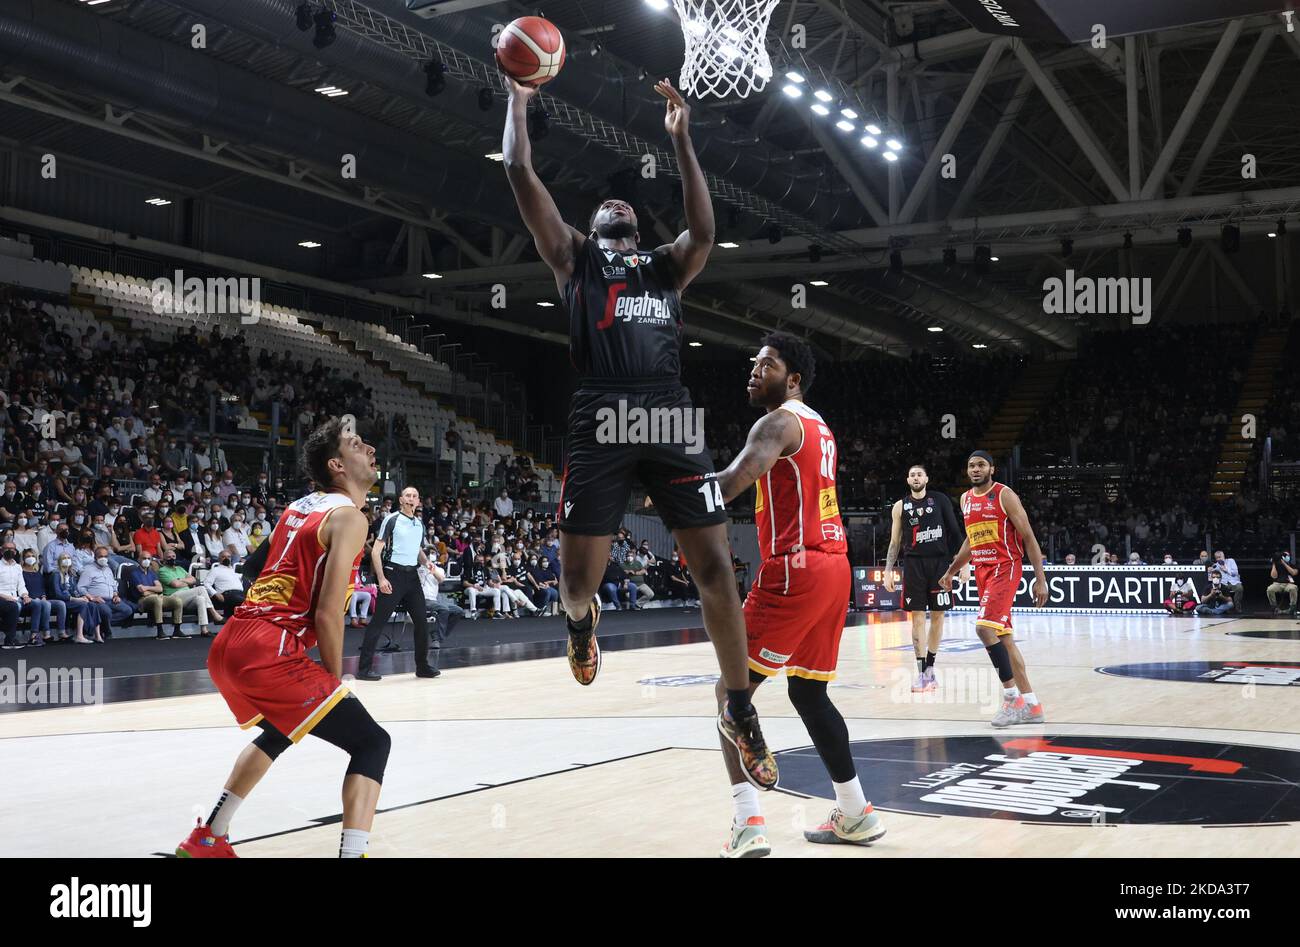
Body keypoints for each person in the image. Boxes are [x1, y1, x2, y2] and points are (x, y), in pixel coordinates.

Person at [502, 71, 775, 788]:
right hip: (600, 414)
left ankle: (740, 707)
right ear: (593, 229)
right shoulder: (575, 260)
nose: (616, 203)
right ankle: (579, 621)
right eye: (604, 206)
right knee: (574, 581)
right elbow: (518, 168)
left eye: (624, 203)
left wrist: (684, 143)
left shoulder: (664, 267)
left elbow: (708, 230)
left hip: (667, 411)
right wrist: (518, 100)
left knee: (715, 565)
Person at [177, 419, 391, 859]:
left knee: (279, 730)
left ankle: (209, 838)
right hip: (268, 648)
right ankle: (355, 854)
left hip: (232, 640)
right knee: (372, 742)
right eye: (355, 444)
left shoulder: (299, 507)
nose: (368, 447)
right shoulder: (350, 517)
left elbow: (256, 567)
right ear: (337, 465)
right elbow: (331, 612)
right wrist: (333, 680)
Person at [709, 334, 883, 857]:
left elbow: (733, 480)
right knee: (808, 693)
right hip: (834, 569)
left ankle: (749, 823)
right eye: (754, 360)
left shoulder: (778, 422)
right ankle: (855, 812)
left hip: (796, 568)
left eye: (768, 363)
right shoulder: (819, 424)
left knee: (729, 694)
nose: (755, 368)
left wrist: (672, 489)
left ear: (794, 379)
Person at [939, 451, 1049, 728]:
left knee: (983, 629)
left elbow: (1028, 536)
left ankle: (1012, 700)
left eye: (981, 465)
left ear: (992, 469)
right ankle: (1033, 705)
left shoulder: (1004, 495)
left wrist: (1040, 578)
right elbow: (970, 541)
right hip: (982, 571)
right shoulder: (964, 499)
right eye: (971, 466)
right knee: (1006, 641)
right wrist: (951, 570)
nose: (975, 470)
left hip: (1006, 566)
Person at [885, 464, 963, 694]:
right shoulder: (900, 506)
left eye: (919, 474)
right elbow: (894, 542)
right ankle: (921, 673)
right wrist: (889, 570)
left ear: (927, 478)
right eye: (912, 475)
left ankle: (931, 667)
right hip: (913, 566)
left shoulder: (940, 500)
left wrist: (963, 563)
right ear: (907, 480)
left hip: (939, 564)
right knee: (917, 617)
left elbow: (955, 532)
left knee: (938, 617)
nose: (916, 477)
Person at [357, 486, 439, 682]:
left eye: (414, 496)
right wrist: (382, 578)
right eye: (407, 495)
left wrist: (426, 562)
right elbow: (376, 552)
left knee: (421, 622)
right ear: (401, 500)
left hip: (412, 577)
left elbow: (416, 549)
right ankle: (364, 669)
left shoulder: (419, 524)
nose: (411, 499)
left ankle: (422, 667)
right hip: (393, 575)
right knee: (378, 622)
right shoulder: (391, 519)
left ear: (418, 501)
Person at [417, 555, 464, 677]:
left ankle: (437, 636)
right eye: (428, 554)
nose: (431, 556)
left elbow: (441, 579)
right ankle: (437, 638)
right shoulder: (418, 568)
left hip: (434, 601)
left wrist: (433, 571)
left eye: (433, 553)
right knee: (443, 609)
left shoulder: (439, 569)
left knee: (458, 611)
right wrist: (424, 567)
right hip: (422, 600)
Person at [73, 548, 133, 641]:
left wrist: (116, 595)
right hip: (98, 601)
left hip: (111, 599)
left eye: (105, 556)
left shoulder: (108, 569)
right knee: (106, 611)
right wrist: (92, 598)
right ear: (95, 557)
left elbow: (113, 585)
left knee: (127, 610)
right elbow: (80, 587)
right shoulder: (88, 570)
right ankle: (107, 630)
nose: (103, 558)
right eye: (101, 556)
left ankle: (101, 624)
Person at [126, 554, 189, 640]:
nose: (146, 560)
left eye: (148, 558)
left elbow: (160, 588)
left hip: (157, 596)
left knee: (177, 601)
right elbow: (142, 592)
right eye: (144, 558)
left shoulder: (152, 573)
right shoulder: (134, 573)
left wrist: (148, 588)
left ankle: (177, 630)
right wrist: (153, 590)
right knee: (157, 599)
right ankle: (160, 631)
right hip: (142, 600)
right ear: (139, 560)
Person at [158, 551, 221, 637]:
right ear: (164, 559)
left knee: (200, 599)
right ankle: (214, 614)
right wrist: (186, 582)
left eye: (173, 556)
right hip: (173, 597)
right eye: (169, 557)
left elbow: (194, 580)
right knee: (201, 589)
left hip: (186, 597)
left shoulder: (180, 568)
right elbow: (175, 584)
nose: (172, 558)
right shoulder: (162, 570)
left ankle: (204, 630)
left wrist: (180, 580)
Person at [0, 545, 29, 649]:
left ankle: (34, 637)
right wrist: (5, 597)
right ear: (2, 551)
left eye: (12, 549)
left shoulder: (17, 567)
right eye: (7, 549)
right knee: (13, 607)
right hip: (2, 597)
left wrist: (25, 595)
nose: (10, 551)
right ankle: (10, 640)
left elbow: (21, 585)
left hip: (15, 598)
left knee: (36, 604)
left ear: (15, 552)